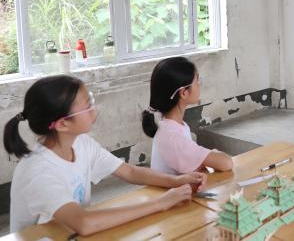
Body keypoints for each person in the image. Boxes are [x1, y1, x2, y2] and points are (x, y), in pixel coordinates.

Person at [4, 75, 203, 234]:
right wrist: (160, 202)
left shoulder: (81, 144)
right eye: (87, 106)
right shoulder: (38, 172)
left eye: (90, 100)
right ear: (62, 124)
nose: (94, 108)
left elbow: (130, 172)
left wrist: (177, 180)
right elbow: (84, 223)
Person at [143, 57, 233, 174]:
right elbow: (226, 163)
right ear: (184, 93)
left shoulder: (175, 126)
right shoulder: (172, 137)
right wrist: (213, 153)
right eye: (197, 81)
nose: (199, 85)